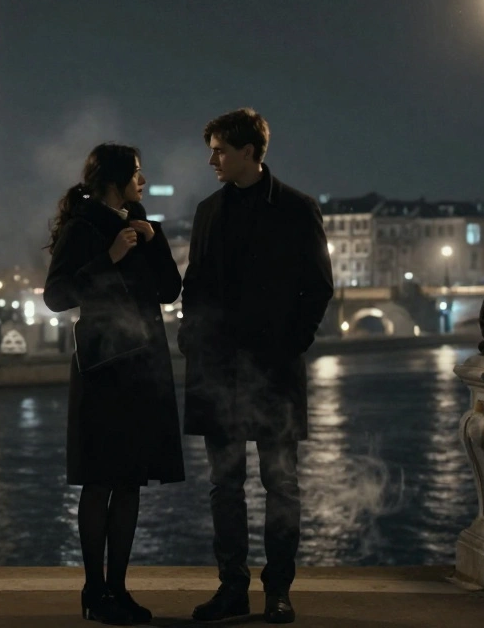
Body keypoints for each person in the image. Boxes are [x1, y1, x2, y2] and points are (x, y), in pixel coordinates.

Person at [179, 108, 334, 625]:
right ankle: (232, 588)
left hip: (271, 368)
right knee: (226, 486)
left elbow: (318, 287)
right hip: (218, 367)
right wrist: (191, 338)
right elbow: (195, 285)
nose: (212, 160)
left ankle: (278, 590)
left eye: (220, 150)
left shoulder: (297, 208)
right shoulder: (208, 211)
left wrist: (289, 344)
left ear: (250, 151)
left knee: (280, 485)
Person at [44, 142, 185, 625]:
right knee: (101, 480)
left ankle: (118, 590)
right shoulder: (83, 228)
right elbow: (56, 296)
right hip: (104, 369)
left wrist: (153, 240)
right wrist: (109, 256)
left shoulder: (141, 223)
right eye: (138, 173)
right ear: (115, 178)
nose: (143, 181)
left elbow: (169, 291)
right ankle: (94, 589)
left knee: (130, 481)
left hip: (143, 365)